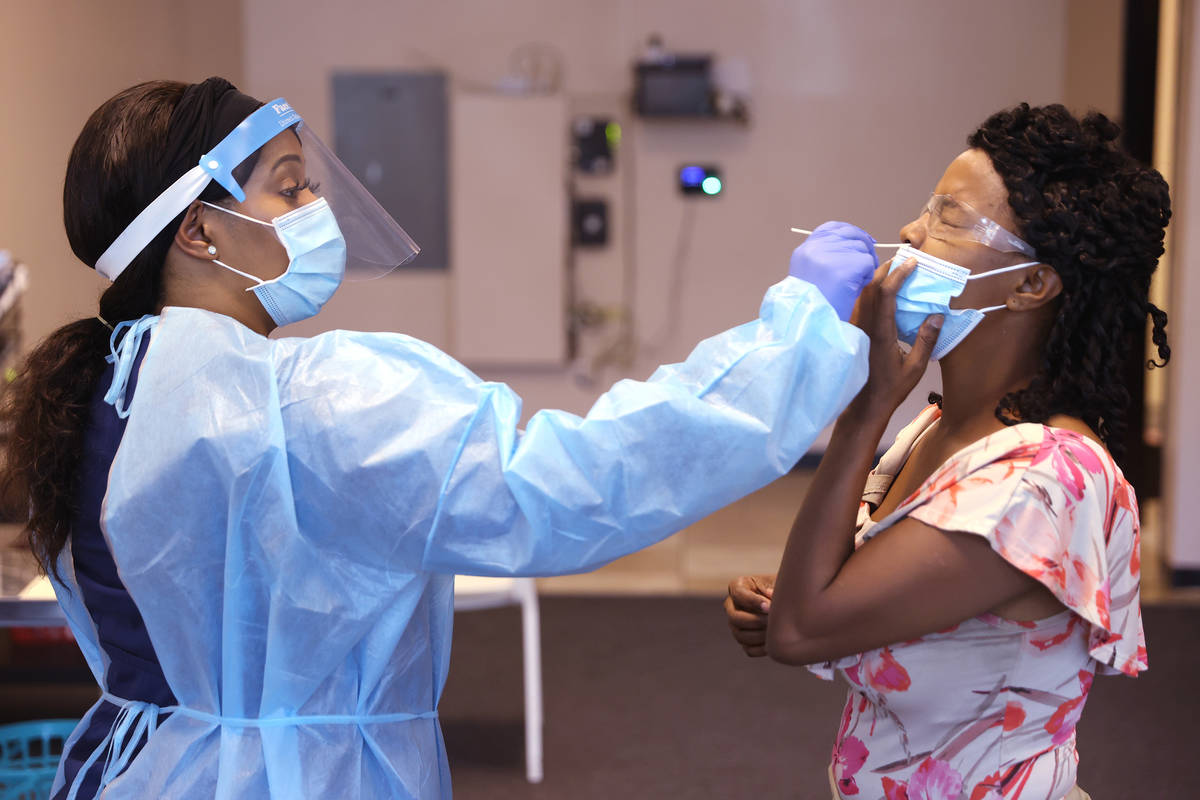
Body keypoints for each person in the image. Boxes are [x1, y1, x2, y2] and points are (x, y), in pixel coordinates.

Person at [0, 77, 879, 800]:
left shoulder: (98, 394)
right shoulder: (305, 401)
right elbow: (565, 488)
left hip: (136, 772)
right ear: (198, 230)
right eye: (290, 186)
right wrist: (798, 336)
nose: (317, 209)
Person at [725, 104, 1169, 799]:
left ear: (1030, 284)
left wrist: (866, 407)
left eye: (948, 219)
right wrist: (788, 603)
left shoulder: (1044, 479)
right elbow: (831, 605)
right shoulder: (932, 430)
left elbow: (805, 631)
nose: (908, 233)